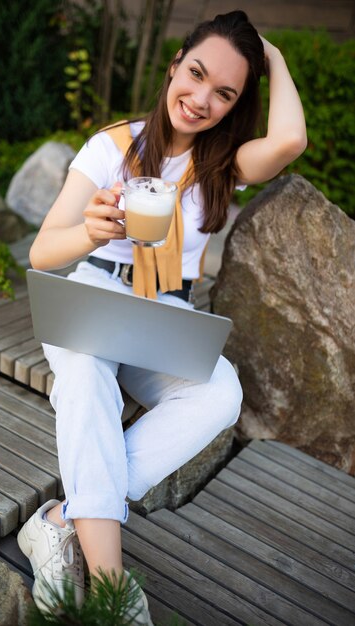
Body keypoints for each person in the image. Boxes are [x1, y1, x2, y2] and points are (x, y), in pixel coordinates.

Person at [18, 9, 306, 623]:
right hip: (96, 291)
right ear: (174, 64)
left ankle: (63, 519)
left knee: (221, 393)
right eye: (196, 74)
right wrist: (88, 234)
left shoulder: (221, 164)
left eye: (224, 92)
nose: (201, 99)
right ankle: (113, 590)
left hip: (165, 308)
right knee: (84, 373)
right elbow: (44, 251)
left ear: (236, 104)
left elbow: (290, 141)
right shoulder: (113, 146)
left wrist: (271, 57)